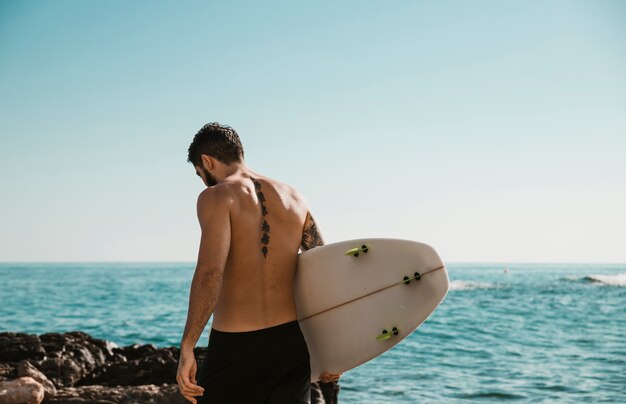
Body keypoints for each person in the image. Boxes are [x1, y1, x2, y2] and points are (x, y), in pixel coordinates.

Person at [176, 123, 340, 404]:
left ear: (206, 161)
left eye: (199, 174)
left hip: (236, 348)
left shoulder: (216, 196)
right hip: (291, 345)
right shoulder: (294, 197)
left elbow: (209, 274)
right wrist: (334, 349)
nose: (203, 181)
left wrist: (188, 345)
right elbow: (324, 270)